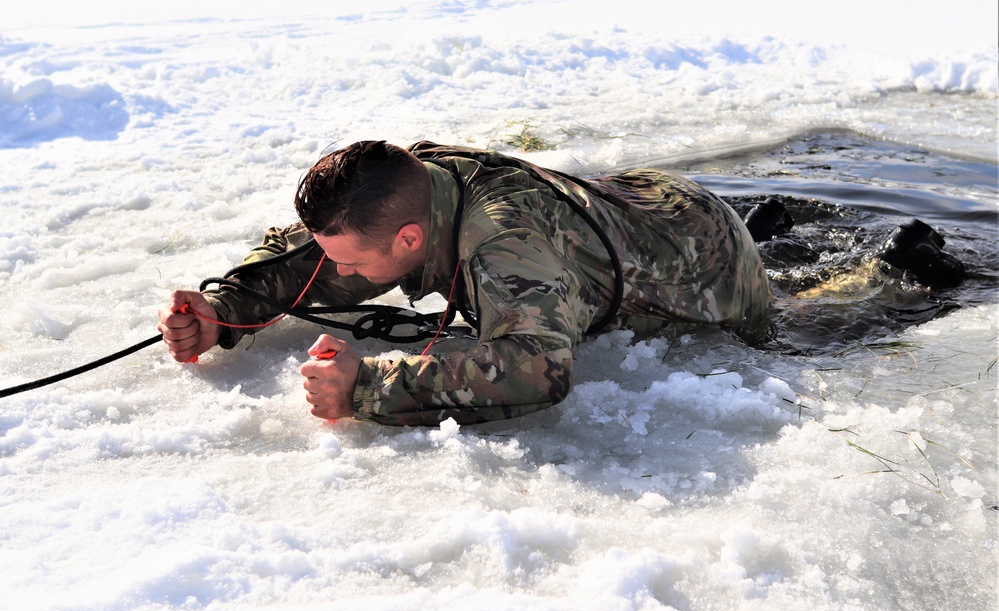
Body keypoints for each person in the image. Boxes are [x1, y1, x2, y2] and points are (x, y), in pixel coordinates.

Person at [157, 141, 774, 426]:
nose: (338, 274)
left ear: (409, 240)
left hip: (705, 263)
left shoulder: (507, 246)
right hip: (633, 199)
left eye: (351, 262)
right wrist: (223, 308)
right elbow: (320, 253)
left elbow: (539, 368)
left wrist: (368, 386)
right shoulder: (407, 187)